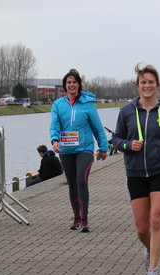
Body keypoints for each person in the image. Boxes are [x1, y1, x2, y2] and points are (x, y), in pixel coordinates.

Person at [112, 63, 160, 275]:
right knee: (142, 228)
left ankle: (152, 270)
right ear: (137, 86)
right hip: (135, 174)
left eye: (150, 82)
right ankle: (149, 248)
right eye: (143, 82)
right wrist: (128, 144)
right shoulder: (126, 112)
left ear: (157, 86)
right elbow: (115, 140)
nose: (147, 86)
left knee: (156, 219)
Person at [50, 68, 109, 232]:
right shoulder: (57, 105)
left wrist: (103, 148)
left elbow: (97, 127)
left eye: (74, 82)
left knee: (81, 181)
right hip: (66, 150)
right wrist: (54, 140)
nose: (72, 85)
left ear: (79, 84)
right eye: (69, 82)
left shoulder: (88, 104)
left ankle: (84, 219)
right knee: (72, 184)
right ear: (64, 86)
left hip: (85, 149)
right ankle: (76, 218)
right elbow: (54, 125)